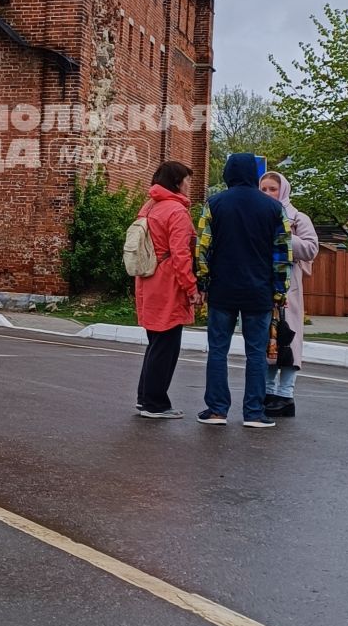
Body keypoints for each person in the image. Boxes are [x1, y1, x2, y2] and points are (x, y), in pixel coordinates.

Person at [195, 152, 292, 427]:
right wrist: (279, 291)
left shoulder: (214, 204)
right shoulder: (274, 209)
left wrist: (202, 282)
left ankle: (216, 410)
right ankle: (254, 413)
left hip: (222, 290)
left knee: (217, 350)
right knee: (256, 353)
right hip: (259, 291)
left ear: (227, 173)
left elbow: (201, 248)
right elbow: (283, 253)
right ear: (253, 173)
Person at [134, 160, 199, 419]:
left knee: (155, 342)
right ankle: (155, 403)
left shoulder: (150, 206)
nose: (189, 184)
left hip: (147, 278)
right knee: (167, 344)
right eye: (187, 180)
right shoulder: (176, 212)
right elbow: (181, 254)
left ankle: (145, 397)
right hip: (168, 282)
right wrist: (191, 287)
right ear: (177, 182)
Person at [259, 171, 319, 417]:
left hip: (288, 289)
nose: (268, 194)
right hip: (264, 287)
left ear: (282, 190)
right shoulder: (258, 216)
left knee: (289, 340)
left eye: (272, 189)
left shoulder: (297, 217)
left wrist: (285, 237)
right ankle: (269, 392)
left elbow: (311, 248)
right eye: (263, 189)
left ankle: (286, 395)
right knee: (269, 342)